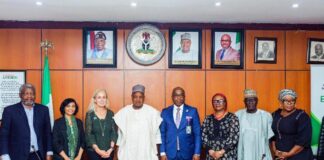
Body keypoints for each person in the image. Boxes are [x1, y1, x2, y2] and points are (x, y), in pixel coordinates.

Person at [0, 83, 52, 160]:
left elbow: (47, 133)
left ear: (35, 95)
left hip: (38, 154)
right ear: (20, 95)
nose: (29, 96)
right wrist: (4, 154)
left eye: (32, 94)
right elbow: (4, 135)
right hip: (17, 155)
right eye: (26, 94)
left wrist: (49, 151)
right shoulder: (10, 111)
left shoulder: (43, 110)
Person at [113, 84, 162, 160]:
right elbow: (120, 136)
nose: (138, 99)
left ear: (144, 98)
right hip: (128, 152)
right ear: (132, 97)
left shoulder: (152, 112)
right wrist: (116, 154)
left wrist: (158, 154)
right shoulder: (124, 112)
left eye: (140, 97)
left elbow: (157, 135)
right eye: (135, 97)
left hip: (146, 152)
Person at [160, 87, 201, 160]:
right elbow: (162, 133)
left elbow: (197, 134)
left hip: (188, 153)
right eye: (176, 95)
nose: (179, 98)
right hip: (170, 153)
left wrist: (197, 152)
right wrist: (162, 152)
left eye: (181, 95)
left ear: (184, 97)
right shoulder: (165, 112)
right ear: (172, 97)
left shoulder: (192, 111)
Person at [271, 89, 313, 160]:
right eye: (286, 101)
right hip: (279, 156)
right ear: (281, 101)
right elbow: (272, 135)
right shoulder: (275, 114)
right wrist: (275, 151)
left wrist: (288, 154)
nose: (290, 103)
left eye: (292, 100)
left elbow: (303, 141)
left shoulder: (302, 116)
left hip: (299, 156)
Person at [235, 89, 274, 160]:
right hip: (243, 151)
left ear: (257, 101)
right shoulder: (238, 115)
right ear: (244, 102)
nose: (250, 102)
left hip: (260, 151)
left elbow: (270, 138)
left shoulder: (266, 115)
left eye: (253, 100)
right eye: (248, 100)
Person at [201, 93, 239, 160]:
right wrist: (211, 152)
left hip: (228, 154)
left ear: (225, 103)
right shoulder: (208, 118)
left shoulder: (232, 118)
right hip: (211, 154)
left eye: (220, 101)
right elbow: (203, 136)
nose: (217, 103)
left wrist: (221, 152)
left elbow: (234, 138)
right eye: (215, 101)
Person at [85, 89, 117, 160]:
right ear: (95, 100)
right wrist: (98, 150)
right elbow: (89, 134)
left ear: (106, 99)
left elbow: (114, 132)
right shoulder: (90, 114)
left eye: (104, 97)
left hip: (108, 152)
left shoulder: (111, 113)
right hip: (94, 152)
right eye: (99, 97)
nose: (102, 100)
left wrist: (111, 149)